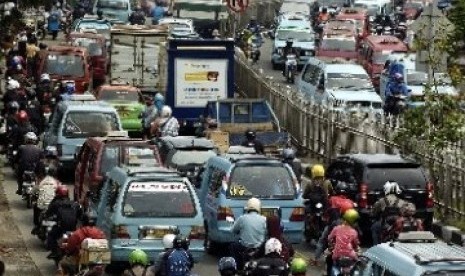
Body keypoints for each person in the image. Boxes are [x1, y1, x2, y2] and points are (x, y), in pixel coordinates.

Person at [45, 185, 82, 259]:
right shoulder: (75, 204)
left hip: (61, 228)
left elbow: (48, 213)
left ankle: (54, 251)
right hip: (73, 228)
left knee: (51, 235)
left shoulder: (55, 203)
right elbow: (80, 214)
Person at [230, 197, 267, 270]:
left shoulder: (242, 218)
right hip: (259, 248)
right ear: (258, 207)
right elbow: (266, 232)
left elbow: (233, 230)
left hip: (244, 247)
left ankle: (239, 268)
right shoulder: (264, 219)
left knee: (233, 246)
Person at [328, 209, 360, 276]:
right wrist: (356, 248)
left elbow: (329, 238)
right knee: (358, 262)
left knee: (330, 262)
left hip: (337, 254)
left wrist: (331, 244)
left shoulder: (336, 228)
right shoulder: (354, 232)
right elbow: (356, 244)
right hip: (351, 255)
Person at [31, 165, 60, 234]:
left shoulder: (42, 182)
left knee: (35, 206)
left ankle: (37, 225)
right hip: (52, 207)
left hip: (42, 207)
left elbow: (34, 191)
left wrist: (33, 194)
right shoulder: (56, 183)